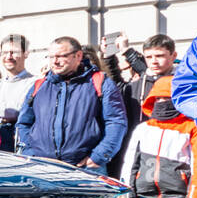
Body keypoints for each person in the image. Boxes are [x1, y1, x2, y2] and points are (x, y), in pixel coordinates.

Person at [16, 36, 128, 172]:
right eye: (50, 57)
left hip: (86, 170)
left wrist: (99, 156)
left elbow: (116, 122)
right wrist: (29, 152)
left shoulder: (101, 82)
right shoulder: (39, 86)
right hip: (41, 169)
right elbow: (23, 123)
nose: (55, 62)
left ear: (78, 56)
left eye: (61, 56)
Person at [0, 34, 35, 152]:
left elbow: (22, 111)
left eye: (14, 52)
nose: (9, 56)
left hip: (22, 144)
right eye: (5, 53)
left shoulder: (35, 83)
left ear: (25, 54)